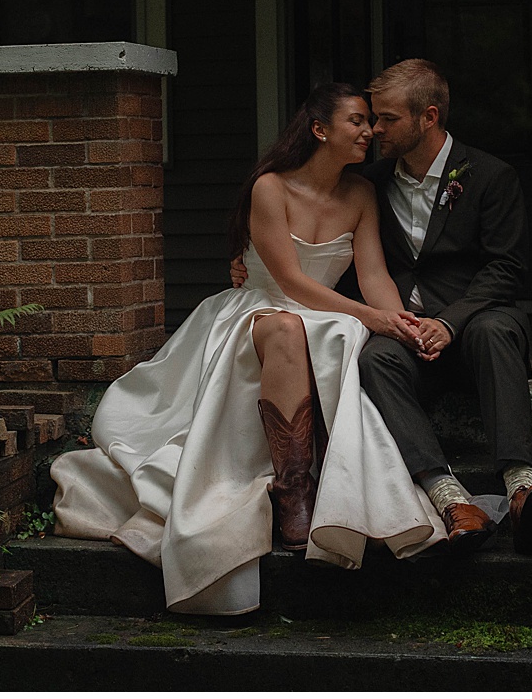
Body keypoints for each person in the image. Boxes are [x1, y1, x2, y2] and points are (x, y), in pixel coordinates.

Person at [48, 83, 447, 616]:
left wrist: (398, 320)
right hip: (258, 309)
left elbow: (372, 275)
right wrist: (369, 315)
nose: (370, 132)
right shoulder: (270, 188)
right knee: (287, 328)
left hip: (327, 315)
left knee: (338, 334)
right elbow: (289, 280)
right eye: (357, 121)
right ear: (320, 129)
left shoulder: (360, 194)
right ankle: (293, 493)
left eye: (371, 122)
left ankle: (320, 480)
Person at [357, 59, 532, 554]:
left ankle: (520, 485)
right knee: (372, 358)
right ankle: (449, 497)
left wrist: (449, 322)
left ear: (429, 117)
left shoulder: (491, 176)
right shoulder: (371, 181)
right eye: (373, 117)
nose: (375, 129)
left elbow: (506, 269)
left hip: (473, 328)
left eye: (388, 119)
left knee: (496, 329)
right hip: (408, 335)